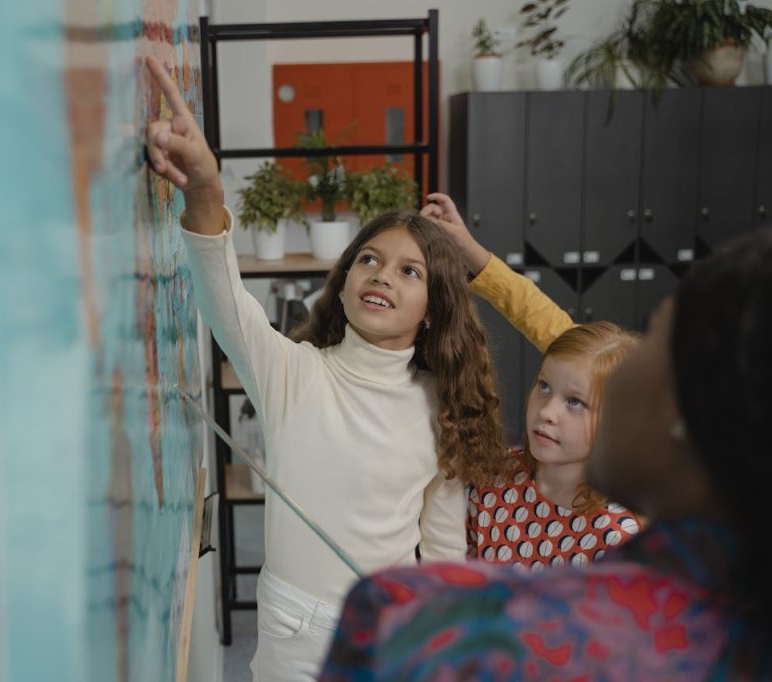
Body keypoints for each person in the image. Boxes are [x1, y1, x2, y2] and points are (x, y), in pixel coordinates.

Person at [144, 56, 509, 680]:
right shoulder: (296, 372)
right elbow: (226, 301)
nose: (382, 277)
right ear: (342, 286)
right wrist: (204, 191)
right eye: (368, 260)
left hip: (390, 628)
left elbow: (444, 547)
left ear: (433, 310)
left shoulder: (444, 404)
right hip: (297, 628)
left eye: (408, 271)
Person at [320, 225, 772, 680]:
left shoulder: (399, 621)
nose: (552, 411)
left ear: (688, 414)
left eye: (654, 337)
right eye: (545, 387)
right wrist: (482, 261)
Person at [421, 194, 642, 569]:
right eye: (543, 387)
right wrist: (469, 251)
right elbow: (539, 317)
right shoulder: (492, 481)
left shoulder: (618, 539)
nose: (548, 412)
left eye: (575, 402)